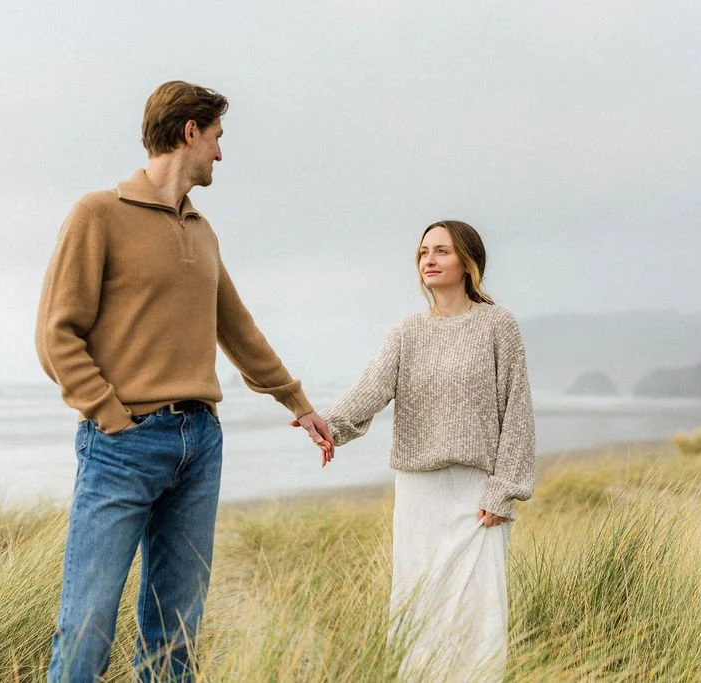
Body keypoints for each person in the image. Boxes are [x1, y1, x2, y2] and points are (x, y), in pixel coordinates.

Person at [35, 80, 334, 682]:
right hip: (121, 446)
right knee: (88, 622)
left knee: (176, 631)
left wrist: (296, 402)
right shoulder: (98, 214)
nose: (221, 152)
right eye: (217, 137)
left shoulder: (202, 230)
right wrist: (110, 415)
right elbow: (56, 333)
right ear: (189, 132)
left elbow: (237, 328)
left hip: (199, 444)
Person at [306, 220, 535, 681]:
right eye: (424, 252)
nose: (429, 260)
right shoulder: (406, 332)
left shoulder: (498, 325)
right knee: (420, 605)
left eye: (442, 251)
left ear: (468, 262)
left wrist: (504, 489)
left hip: (478, 494)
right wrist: (327, 425)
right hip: (419, 495)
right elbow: (372, 388)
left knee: (478, 610)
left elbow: (517, 412)